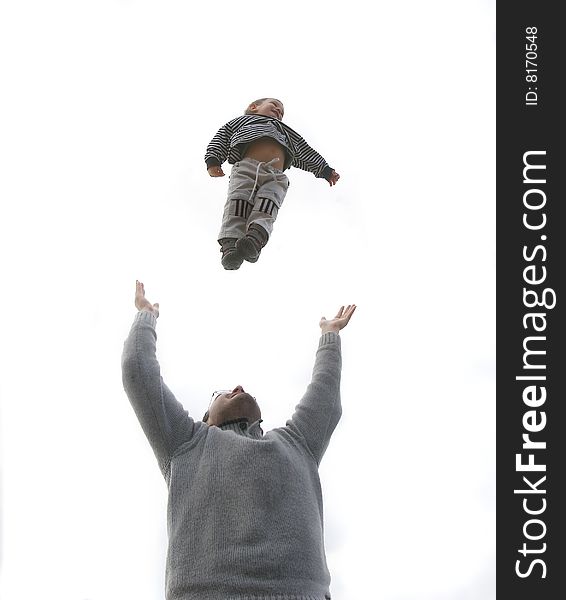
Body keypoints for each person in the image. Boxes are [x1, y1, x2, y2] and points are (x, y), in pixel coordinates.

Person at [122, 280, 356, 600]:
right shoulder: (186, 442)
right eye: (221, 393)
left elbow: (325, 398)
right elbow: (138, 372)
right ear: (207, 419)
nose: (238, 387)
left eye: (240, 389)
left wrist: (330, 336)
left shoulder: (296, 443)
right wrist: (145, 317)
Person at [205, 98, 340, 270]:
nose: (279, 111)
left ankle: (255, 238)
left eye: (282, 111)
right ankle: (230, 245)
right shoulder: (243, 121)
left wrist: (324, 170)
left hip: (276, 177)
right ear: (254, 107)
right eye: (274, 105)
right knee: (239, 202)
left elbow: (305, 151)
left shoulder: (287, 132)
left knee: (269, 204)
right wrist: (213, 160)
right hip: (247, 167)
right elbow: (223, 136)